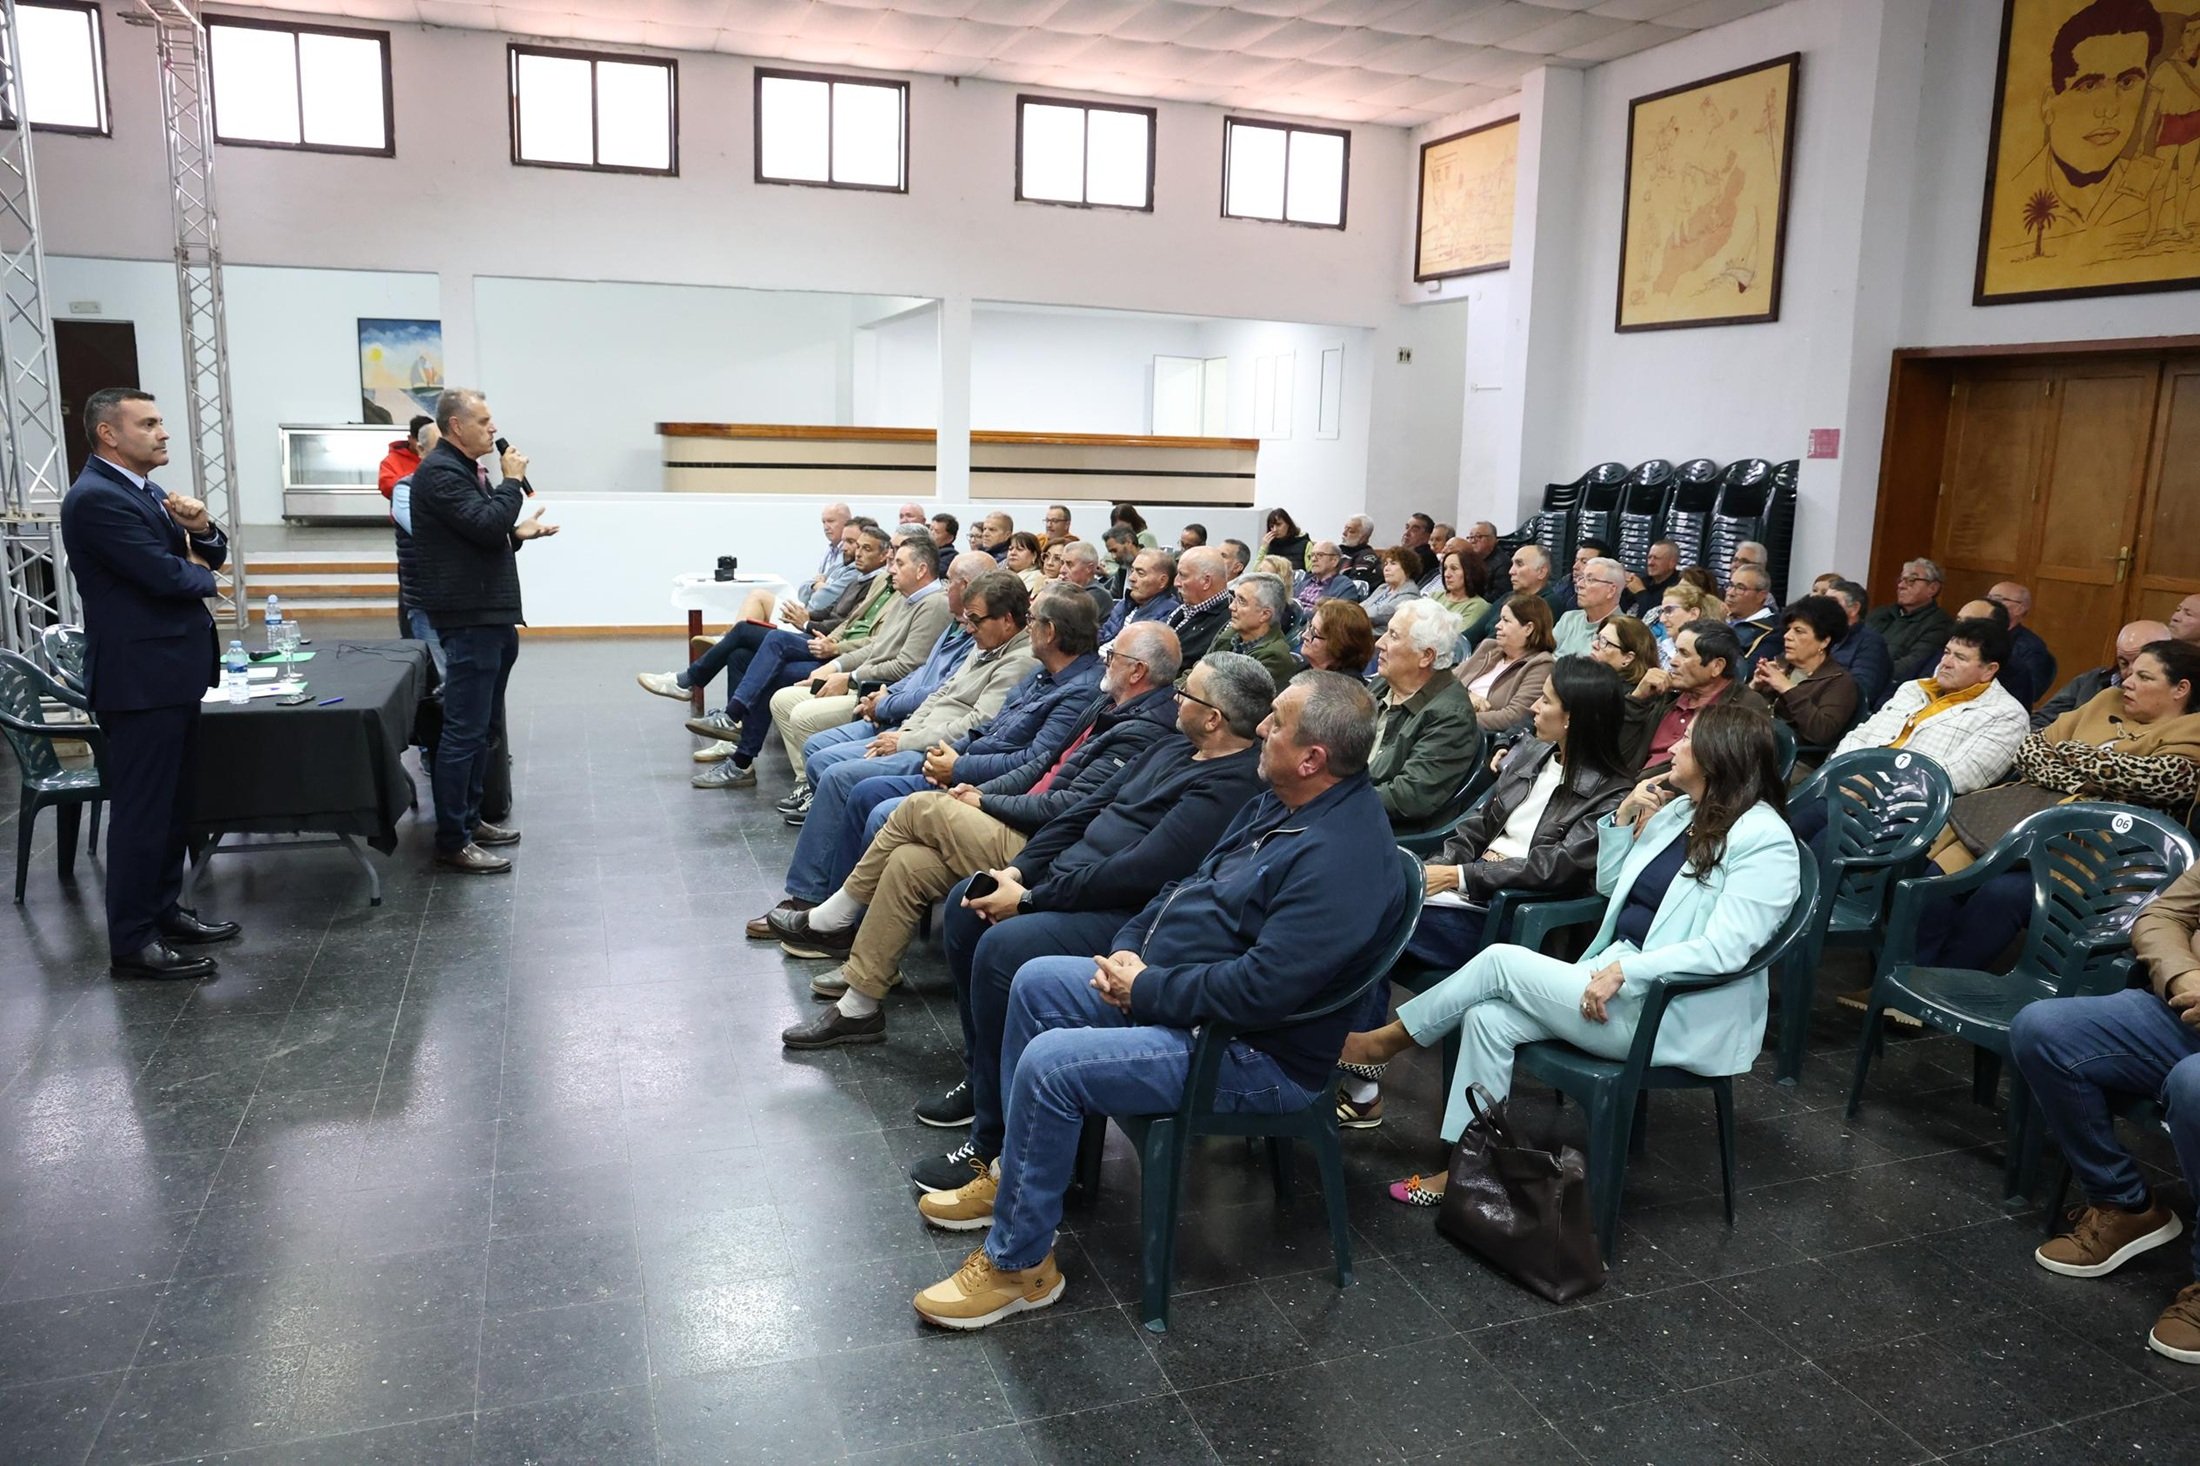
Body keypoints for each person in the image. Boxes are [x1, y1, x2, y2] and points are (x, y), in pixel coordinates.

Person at [908, 672, 1410, 1328]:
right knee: (1033, 983)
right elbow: (1188, 883)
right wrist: (1131, 947)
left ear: (1313, 757)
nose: (1260, 727)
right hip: (1186, 995)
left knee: (1052, 1063)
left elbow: (1260, 993)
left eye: (1277, 723)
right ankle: (1018, 1178)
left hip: (1249, 1055)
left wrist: (1147, 987)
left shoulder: (1340, 859)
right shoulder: (1285, 798)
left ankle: (1019, 1266)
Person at [1344, 703, 1799, 1204]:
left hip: (1673, 1010)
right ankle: (1467, 1169)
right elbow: (1610, 886)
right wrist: (1622, 821)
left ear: (1718, 757)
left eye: (1688, 741)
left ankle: (1382, 1044)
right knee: (1488, 1019)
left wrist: (1629, 969)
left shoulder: (1766, 840)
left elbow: (1726, 951)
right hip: (1616, 978)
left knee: (1499, 961)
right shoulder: (1680, 812)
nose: (1673, 746)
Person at [770, 619, 1169, 1052]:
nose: (1105, 660)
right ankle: (859, 1005)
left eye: (1115, 656)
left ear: (1137, 671)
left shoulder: (1144, 731)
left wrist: (986, 803)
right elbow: (1039, 767)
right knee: (909, 864)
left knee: (920, 807)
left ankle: (835, 916)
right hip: (1019, 821)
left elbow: (1067, 809)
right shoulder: (1106, 704)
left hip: (1045, 848)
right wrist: (982, 791)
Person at [1336, 658, 1636, 1128]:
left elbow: (1555, 869)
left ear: (1573, 716)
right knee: (1357, 909)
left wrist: (1462, 876)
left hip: (1510, 917)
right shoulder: (1534, 754)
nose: (1534, 708)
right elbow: (1474, 825)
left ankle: (1358, 1081)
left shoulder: (1613, 795)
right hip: (1466, 893)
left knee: (1371, 923)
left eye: (1546, 700)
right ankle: (1342, 1064)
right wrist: (1440, 868)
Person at [1889, 640, 2200, 986]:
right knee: (1938, 871)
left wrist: (2072, 753)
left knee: (2001, 893)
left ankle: (1942, 986)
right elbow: (2031, 748)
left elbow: (2160, 779)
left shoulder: (2193, 731)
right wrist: (2088, 778)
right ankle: (1904, 977)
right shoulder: (2106, 701)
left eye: (2144, 677)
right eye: (2128, 671)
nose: (2126, 681)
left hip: (2091, 855)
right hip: (2020, 823)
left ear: (2180, 689)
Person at [60, 388, 240, 979]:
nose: (163, 433)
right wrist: (206, 579)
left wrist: (204, 528)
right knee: (142, 813)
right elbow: (160, 574)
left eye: (162, 422)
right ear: (109, 434)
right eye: (149, 423)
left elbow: (202, 551)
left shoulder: (149, 491)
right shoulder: (94, 499)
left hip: (171, 673)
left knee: (172, 808)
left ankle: (164, 911)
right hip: (138, 681)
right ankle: (132, 943)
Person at [751, 570, 1041, 909]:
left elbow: (977, 723)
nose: (969, 627)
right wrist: (904, 731)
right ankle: (818, 895)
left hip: (939, 754)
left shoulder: (1019, 660)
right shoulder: (987, 645)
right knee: (830, 766)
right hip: (916, 735)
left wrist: (905, 741)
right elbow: (940, 693)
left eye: (975, 619)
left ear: (1007, 620)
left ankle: (816, 899)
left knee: (841, 778)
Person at [2010, 860, 2200, 1367]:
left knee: (2195, 1084)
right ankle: (2126, 1206)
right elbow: (2161, 917)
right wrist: (2186, 975)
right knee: (2043, 1029)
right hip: (2187, 1010)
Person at [409, 388, 558, 874]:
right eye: (484, 421)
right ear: (456, 427)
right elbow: (486, 521)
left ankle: (470, 821)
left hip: (488, 615)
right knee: (463, 732)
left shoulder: (464, 471)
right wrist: (512, 484)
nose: (494, 429)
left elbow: (483, 534)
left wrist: (516, 535)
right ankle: (453, 838)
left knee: (483, 729)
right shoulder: (440, 473)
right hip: (469, 620)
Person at [680, 526, 904, 787]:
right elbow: (846, 620)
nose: (892, 560)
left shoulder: (911, 598)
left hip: (849, 663)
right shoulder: (880, 581)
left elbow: (880, 645)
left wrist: (834, 649)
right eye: (893, 553)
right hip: (830, 643)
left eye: (898, 555)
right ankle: (732, 734)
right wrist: (831, 639)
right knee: (742, 653)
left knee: (766, 648)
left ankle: (731, 729)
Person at [761, 545, 967, 795]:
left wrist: (857, 682)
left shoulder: (935, 605)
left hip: (881, 690)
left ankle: (815, 788)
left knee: (803, 715)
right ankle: (808, 784)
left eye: (899, 563)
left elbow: (909, 666)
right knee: (782, 697)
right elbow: (876, 647)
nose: (891, 569)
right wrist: (835, 667)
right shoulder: (905, 599)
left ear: (921, 569)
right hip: (880, 691)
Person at [636, 518, 883, 705]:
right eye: (853, 544)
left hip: (823, 644)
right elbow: (821, 604)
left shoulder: (873, 581)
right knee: (738, 654)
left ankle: (689, 680)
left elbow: (838, 621)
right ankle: (731, 727)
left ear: (885, 556)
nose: (854, 551)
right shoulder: (858, 576)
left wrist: (807, 623)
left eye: (863, 547)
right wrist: (808, 616)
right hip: (818, 634)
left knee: (745, 631)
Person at [1830, 617, 2032, 794]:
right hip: (1845, 785)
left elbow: (1958, 775)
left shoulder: (2007, 716)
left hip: (1904, 811)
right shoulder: (1913, 689)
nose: (1946, 662)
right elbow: (1861, 734)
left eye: (1960, 657)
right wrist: (1840, 771)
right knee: (1799, 822)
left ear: (1989, 670)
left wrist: (1873, 785)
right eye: (1947, 652)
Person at [1364, 599, 1480, 824]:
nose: (1380, 642)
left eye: (1394, 636)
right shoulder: (1383, 683)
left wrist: (1334, 795)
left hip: (1381, 828)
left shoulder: (1451, 717)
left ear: (1426, 656)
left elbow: (1409, 796)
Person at [1623, 620, 1769, 782]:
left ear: (1716, 666)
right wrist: (1636, 700)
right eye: (1676, 651)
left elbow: (1723, 778)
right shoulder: (1663, 695)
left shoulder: (1744, 707)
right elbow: (1618, 754)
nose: (1673, 661)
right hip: (1623, 789)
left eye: (1684, 654)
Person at [1748, 594, 1861, 751]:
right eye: (1788, 630)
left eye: (1799, 631)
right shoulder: (1783, 668)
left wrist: (1787, 689)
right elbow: (1736, 717)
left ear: (1824, 641)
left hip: (1798, 761)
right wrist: (1755, 687)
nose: (1787, 636)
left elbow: (1821, 732)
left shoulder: (1839, 682)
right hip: (1756, 747)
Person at [2034, 619, 2170, 731]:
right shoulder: (2093, 680)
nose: (2129, 672)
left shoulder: (2174, 697)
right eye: (2123, 662)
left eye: (2139, 663)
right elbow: (2043, 719)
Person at [1454, 593, 1557, 734]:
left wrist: (1458, 718)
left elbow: (1513, 716)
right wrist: (1470, 697)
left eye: (1505, 621)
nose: (1497, 626)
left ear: (1528, 628)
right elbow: (1446, 682)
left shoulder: (1541, 665)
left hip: (1475, 735)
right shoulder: (1489, 647)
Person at [387, 417, 444, 668]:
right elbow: (429, 533)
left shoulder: (470, 482)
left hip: (461, 599)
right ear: (420, 449)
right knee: (438, 673)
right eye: (440, 449)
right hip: (425, 596)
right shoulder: (405, 488)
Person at [380, 416, 433, 637]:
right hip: (409, 539)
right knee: (410, 595)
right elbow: (387, 485)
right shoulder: (393, 460)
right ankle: (409, 638)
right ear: (411, 439)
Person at [1866, 557, 1956, 686]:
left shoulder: (1939, 624)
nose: (1901, 586)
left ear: (1932, 588)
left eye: (1911, 580)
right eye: (1901, 580)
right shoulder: (1881, 613)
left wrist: (1867, 670)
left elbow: (1911, 665)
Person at [1206, 571, 1298, 687]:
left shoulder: (1274, 657)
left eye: (1241, 601)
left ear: (1264, 614)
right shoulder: (1230, 634)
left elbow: (1232, 697)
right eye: (1234, 598)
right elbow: (1199, 667)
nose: (1231, 607)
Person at [1986, 581, 2057, 708]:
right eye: (1988, 598)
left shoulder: (2032, 648)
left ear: (2020, 608)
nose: (1988, 604)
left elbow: (2028, 692)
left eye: (1997, 599)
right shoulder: (1978, 635)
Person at [1466, 543, 1555, 644]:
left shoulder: (1548, 604)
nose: (1511, 571)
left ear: (1541, 572)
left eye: (1519, 564)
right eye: (1512, 564)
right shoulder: (1508, 597)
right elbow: (1472, 634)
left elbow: (1506, 643)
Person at [1826, 579, 1894, 710]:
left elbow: (1861, 691)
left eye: (1832, 603)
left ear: (1854, 609)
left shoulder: (1871, 643)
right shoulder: (1823, 636)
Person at [1162, 545, 1232, 666]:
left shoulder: (1227, 623)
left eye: (1183, 575)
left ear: (1206, 581)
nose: (1176, 582)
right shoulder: (1183, 609)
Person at [1099, 547, 1179, 642]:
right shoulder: (1125, 603)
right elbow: (1104, 634)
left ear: (1162, 581)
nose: (1131, 578)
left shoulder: (1170, 613)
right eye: (1132, 571)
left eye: (1140, 573)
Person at [1554, 556, 1627, 658]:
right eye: (1581, 578)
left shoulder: (1625, 631)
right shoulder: (1569, 619)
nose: (1579, 585)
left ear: (1611, 590)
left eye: (1590, 579)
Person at [1650, 582, 1722, 671]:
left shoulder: (1706, 655)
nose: (1662, 619)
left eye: (1669, 610)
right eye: (1662, 612)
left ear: (1693, 614)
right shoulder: (1658, 647)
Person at [1299, 597, 1375, 676]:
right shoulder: (1306, 667)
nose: (1304, 635)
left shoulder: (1343, 685)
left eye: (1315, 633)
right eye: (1310, 626)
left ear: (1339, 645)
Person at [1724, 565, 1779, 666]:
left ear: (1761, 596)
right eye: (1730, 585)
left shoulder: (1772, 632)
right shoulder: (1719, 617)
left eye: (1740, 588)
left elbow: (1746, 671)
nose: (1730, 593)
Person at [1358, 547, 1424, 631]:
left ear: (1407, 568)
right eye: (1385, 563)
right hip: (1364, 629)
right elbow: (1363, 604)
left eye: (1393, 563)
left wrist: (1353, 614)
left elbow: (1377, 615)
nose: (1386, 568)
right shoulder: (1383, 588)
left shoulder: (1410, 595)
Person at [1589, 614, 1659, 693]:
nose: (1594, 644)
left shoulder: (1616, 695)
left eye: (1604, 641)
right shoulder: (1594, 681)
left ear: (1628, 658)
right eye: (1598, 638)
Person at [1429, 546, 1490, 633]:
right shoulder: (1434, 596)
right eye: (1445, 568)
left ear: (1469, 572)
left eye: (1454, 568)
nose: (1447, 574)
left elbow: (1457, 638)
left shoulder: (1478, 606)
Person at [1294, 540, 1366, 614]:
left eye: (1320, 555)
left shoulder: (1345, 587)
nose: (1313, 559)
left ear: (1334, 561)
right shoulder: (1304, 581)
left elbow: (1338, 617)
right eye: (1311, 555)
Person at [1056, 540, 1114, 624]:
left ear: (1089, 568)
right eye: (1062, 563)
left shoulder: (1097, 595)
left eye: (1069, 564)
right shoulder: (1069, 589)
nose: (1062, 570)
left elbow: (1064, 625)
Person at [1622, 539, 1681, 616]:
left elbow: (1656, 617)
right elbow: (1623, 608)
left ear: (1672, 563)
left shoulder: (1680, 587)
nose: (1650, 563)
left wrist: (1641, 593)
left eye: (1656, 558)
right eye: (1649, 558)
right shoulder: (1645, 581)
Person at [1465, 520, 1510, 599]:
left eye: (1478, 537)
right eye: (1471, 537)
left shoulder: (1502, 564)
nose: (1473, 541)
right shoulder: (1470, 558)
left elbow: (1499, 596)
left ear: (1493, 539)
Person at [1337, 514, 1382, 586]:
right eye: (1345, 529)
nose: (1344, 533)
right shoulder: (1338, 550)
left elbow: (1354, 584)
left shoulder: (1366, 557)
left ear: (1364, 536)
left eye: (1350, 531)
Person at [929, 512, 959, 578]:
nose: (931, 533)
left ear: (949, 538)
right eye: (930, 529)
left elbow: (934, 573)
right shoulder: (925, 549)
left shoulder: (950, 555)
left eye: (937, 532)